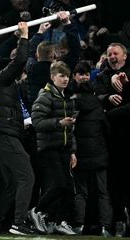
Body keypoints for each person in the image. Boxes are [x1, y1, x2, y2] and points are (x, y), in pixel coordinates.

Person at [0, 21, 35, 235]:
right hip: (5, 134)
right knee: (27, 176)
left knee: (11, 182)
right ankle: (18, 222)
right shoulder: (1, 81)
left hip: (1, 137)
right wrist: (24, 37)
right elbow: (20, 60)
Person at [29, 61, 77, 235]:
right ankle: (38, 210)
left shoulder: (68, 98)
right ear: (52, 77)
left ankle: (60, 222)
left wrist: (72, 150)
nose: (65, 79)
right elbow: (37, 122)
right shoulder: (45, 96)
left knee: (68, 188)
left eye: (67, 76)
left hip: (64, 148)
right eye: (61, 76)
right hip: (49, 147)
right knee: (58, 184)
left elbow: (71, 129)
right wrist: (59, 123)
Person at [68, 61, 112, 237]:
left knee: (80, 192)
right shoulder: (98, 106)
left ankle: (78, 225)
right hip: (99, 155)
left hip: (79, 155)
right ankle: (105, 227)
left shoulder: (73, 105)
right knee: (102, 192)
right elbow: (107, 130)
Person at [94, 42, 130, 237]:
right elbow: (94, 98)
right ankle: (118, 220)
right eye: (109, 54)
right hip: (111, 138)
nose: (112, 57)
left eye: (116, 53)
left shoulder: (127, 74)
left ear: (125, 56)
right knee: (114, 181)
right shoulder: (101, 77)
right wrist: (107, 97)